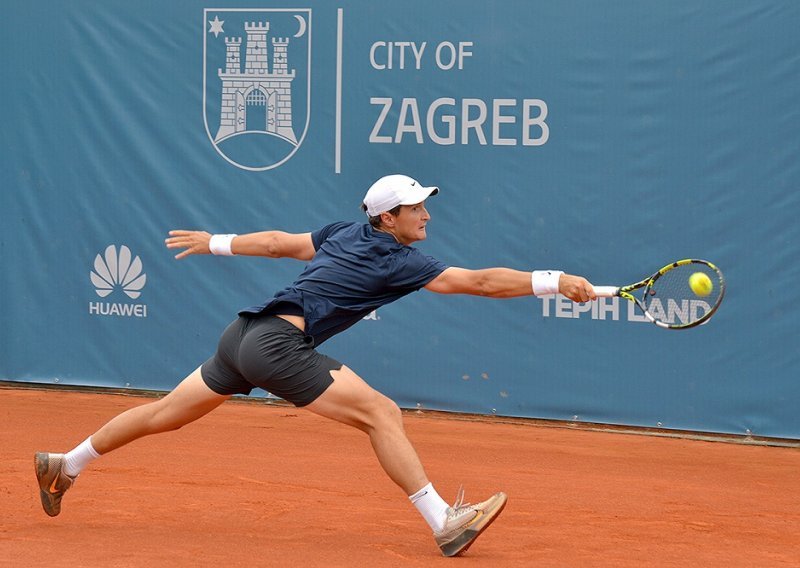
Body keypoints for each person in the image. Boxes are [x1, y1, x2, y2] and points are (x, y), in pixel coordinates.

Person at [35, 174, 596, 557]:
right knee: (381, 413)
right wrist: (551, 280)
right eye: (417, 208)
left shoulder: (342, 232)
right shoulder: (397, 259)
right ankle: (443, 523)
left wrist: (217, 242)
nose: (426, 215)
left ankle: (67, 462)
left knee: (165, 413)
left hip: (243, 335)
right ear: (388, 218)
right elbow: (476, 283)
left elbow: (280, 243)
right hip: (278, 343)